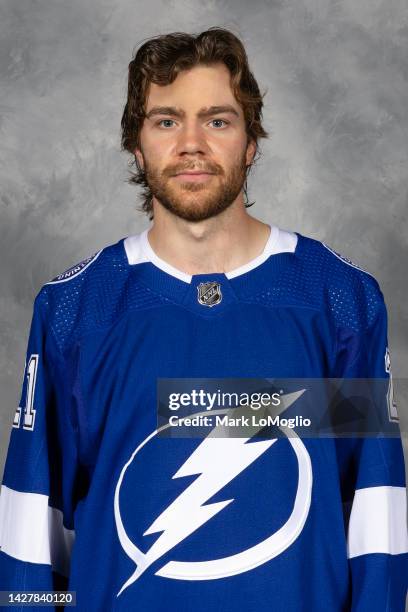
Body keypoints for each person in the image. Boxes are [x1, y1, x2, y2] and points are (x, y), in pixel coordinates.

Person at [0, 27, 407, 611]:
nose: (191, 143)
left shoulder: (339, 301)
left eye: (217, 121)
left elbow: (376, 514)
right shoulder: (75, 309)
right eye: (167, 121)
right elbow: (30, 531)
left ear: (250, 143)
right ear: (136, 145)